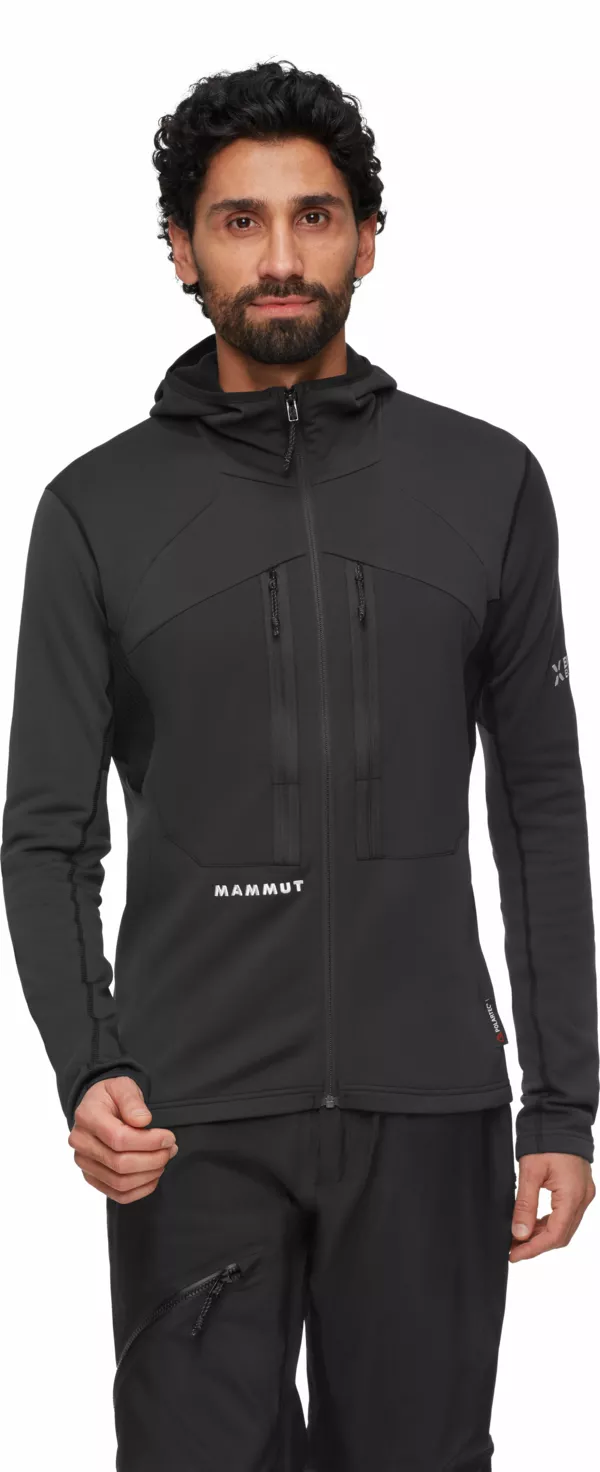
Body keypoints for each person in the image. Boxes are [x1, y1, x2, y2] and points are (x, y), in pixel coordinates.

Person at [2, 56, 598, 1472]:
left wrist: (563, 1103)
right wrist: (90, 1066)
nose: (280, 256)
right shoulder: (95, 509)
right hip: (192, 1122)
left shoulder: (487, 482)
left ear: (367, 240)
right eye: (239, 220)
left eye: (314, 217)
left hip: (431, 1105)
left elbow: (539, 808)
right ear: (181, 250)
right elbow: (47, 831)